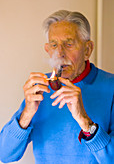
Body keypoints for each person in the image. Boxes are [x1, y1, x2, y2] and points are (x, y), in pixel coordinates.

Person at [0, 10, 114, 164]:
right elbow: (4, 154)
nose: (60, 53)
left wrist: (85, 122)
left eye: (69, 44)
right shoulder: (40, 89)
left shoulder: (110, 86)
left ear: (87, 50)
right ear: (48, 49)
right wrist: (27, 113)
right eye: (54, 45)